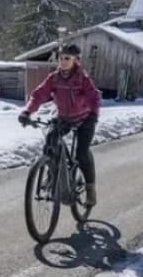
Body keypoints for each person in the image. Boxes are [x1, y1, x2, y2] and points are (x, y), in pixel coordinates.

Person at [18, 44, 101, 206]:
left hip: (85, 119)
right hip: (64, 118)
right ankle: (51, 171)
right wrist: (27, 112)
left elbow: (94, 97)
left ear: (76, 60)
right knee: (50, 139)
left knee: (81, 153)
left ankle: (90, 190)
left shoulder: (82, 78)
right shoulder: (54, 78)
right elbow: (39, 95)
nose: (62, 61)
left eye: (67, 58)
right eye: (60, 58)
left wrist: (94, 114)